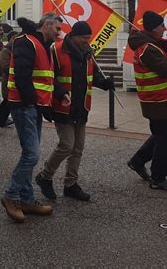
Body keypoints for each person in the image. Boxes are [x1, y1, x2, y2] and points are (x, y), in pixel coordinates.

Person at [1, 14, 69, 223]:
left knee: (30, 153)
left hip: (33, 106)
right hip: (24, 106)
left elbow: (46, 76)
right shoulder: (26, 42)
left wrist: (59, 92)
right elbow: (22, 77)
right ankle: (11, 195)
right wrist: (34, 103)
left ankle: (27, 199)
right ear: (46, 25)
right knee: (32, 155)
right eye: (57, 28)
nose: (59, 33)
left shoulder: (42, 44)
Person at [35, 21, 114, 201]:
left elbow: (91, 76)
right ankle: (45, 176)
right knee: (67, 146)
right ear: (75, 36)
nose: (88, 41)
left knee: (78, 148)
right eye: (84, 38)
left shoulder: (88, 53)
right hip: (63, 106)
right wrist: (60, 93)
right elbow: (48, 76)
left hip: (81, 107)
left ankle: (71, 184)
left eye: (89, 38)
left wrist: (104, 84)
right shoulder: (57, 50)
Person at [126, 11, 167, 191]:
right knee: (163, 139)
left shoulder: (151, 45)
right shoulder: (148, 49)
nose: (164, 28)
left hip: (160, 99)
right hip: (157, 101)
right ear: (152, 28)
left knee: (160, 135)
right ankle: (158, 178)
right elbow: (166, 68)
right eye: (161, 26)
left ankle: (137, 161)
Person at [0, 30, 18, 134]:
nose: (15, 40)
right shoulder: (6, 51)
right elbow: (5, 66)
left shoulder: (18, 50)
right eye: (13, 38)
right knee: (6, 105)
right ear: (9, 39)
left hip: (16, 83)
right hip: (8, 83)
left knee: (13, 106)